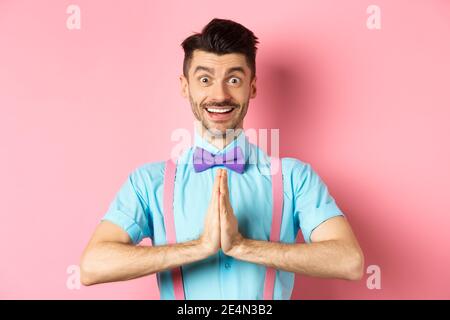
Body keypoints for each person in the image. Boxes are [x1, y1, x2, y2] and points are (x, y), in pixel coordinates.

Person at [80, 18, 364, 300]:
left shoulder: (294, 177)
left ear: (252, 87)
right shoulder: (148, 182)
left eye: (234, 80)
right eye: (205, 80)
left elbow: (349, 261)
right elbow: (92, 266)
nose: (219, 95)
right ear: (185, 86)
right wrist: (199, 247)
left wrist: (243, 246)